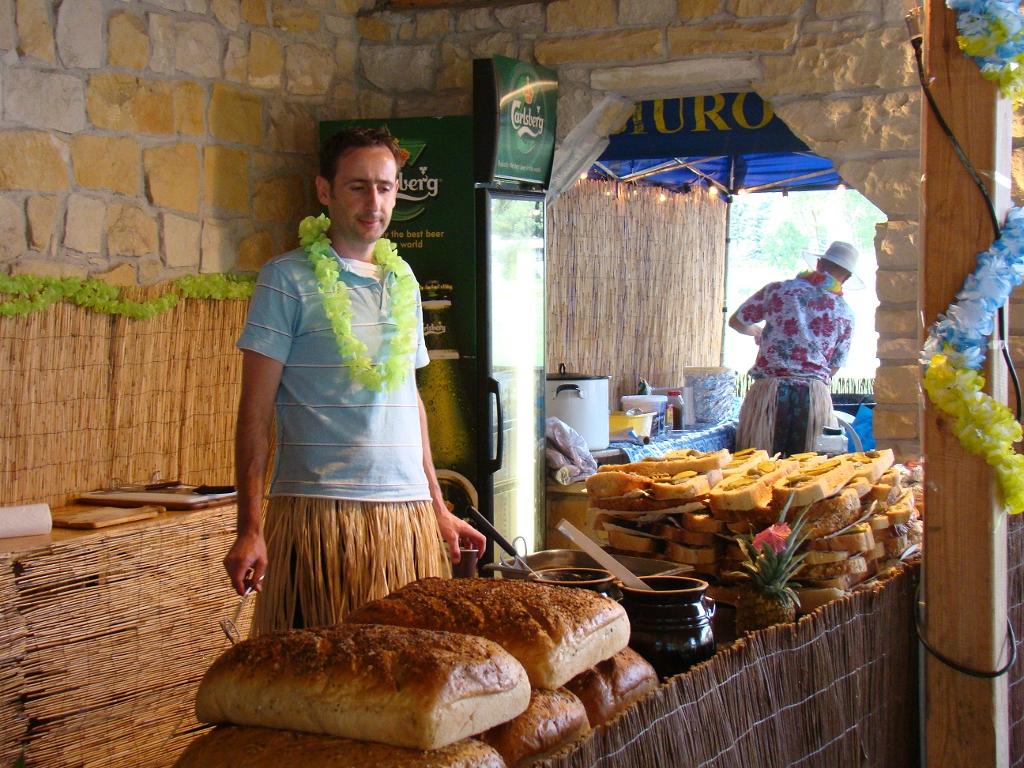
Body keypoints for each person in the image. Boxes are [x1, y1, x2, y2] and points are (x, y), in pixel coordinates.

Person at [223, 126, 486, 635]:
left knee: (408, 680)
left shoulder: (404, 280)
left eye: (385, 187)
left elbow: (409, 402)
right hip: (318, 520)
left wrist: (438, 509)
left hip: (404, 519)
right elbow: (253, 415)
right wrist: (249, 528)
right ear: (325, 191)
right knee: (310, 681)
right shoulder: (286, 279)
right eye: (358, 186)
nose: (374, 202)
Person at [729, 240, 858, 457]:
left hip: (769, 395)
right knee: (806, 473)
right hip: (814, 398)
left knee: (760, 467)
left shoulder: (777, 291)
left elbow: (737, 321)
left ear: (818, 264)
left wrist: (757, 332)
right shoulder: (845, 312)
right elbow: (834, 366)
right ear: (846, 278)